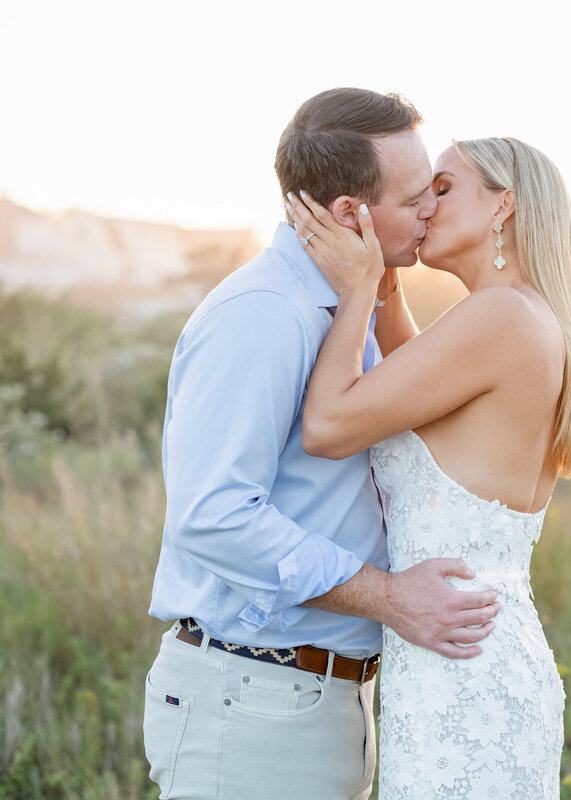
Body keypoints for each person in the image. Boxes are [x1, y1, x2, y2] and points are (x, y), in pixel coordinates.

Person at [142, 88, 502, 800]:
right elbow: (212, 513)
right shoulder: (267, 315)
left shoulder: (346, 309)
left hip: (313, 702)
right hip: (252, 703)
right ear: (349, 215)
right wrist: (390, 598)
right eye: (414, 198)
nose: (431, 208)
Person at [286, 134, 571, 798]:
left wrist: (355, 292)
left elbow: (327, 426)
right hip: (464, 652)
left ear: (504, 206)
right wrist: (386, 276)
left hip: (462, 668)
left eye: (442, 187)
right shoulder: (518, 316)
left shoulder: (498, 317)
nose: (424, 205)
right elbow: (416, 390)